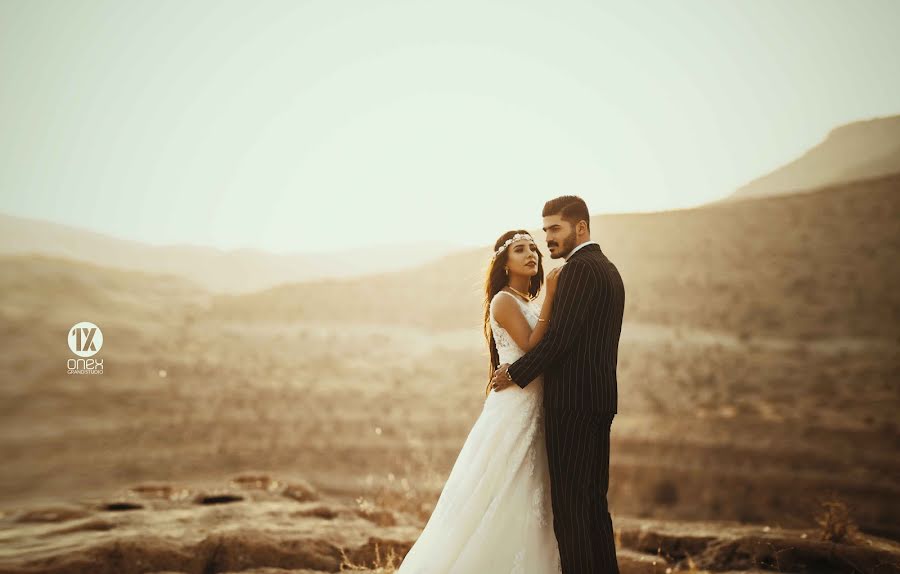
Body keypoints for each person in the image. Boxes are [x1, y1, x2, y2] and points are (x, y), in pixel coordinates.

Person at [397, 229, 563, 573]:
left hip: (533, 406)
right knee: (506, 487)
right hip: (515, 410)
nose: (531, 253)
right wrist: (552, 295)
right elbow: (532, 345)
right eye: (520, 250)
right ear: (504, 263)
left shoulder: (524, 301)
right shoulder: (504, 300)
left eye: (534, 248)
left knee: (529, 493)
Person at [492, 195, 626, 574]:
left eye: (555, 229)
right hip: (597, 400)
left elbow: (560, 339)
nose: (547, 237)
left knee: (570, 510)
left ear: (579, 227)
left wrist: (516, 373)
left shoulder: (580, 270)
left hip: (573, 403)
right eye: (545, 229)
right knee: (592, 506)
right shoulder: (607, 268)